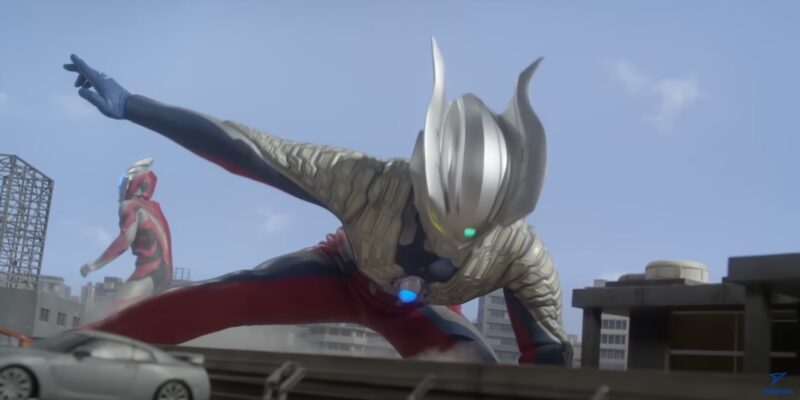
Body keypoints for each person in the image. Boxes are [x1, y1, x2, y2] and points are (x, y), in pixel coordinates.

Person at [64, 38, 571, 365]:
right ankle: (70, 351)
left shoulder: (521, 252)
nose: (446, 244)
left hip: (419, 311)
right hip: (344, 272)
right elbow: (250, 149)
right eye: (434, 222)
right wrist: (134, 106)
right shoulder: (372, 183)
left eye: (468, 235)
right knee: (227, 295)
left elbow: (548, 357)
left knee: (474, 374)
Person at [80, 158, 173, 311]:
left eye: (123, 181)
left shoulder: (130, 206)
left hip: (149, 271)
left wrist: (95, 264)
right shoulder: (155, 209)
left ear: (135, 182)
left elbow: (125, 240)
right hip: (165, 275)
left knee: (115, 313)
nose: (121, 186)